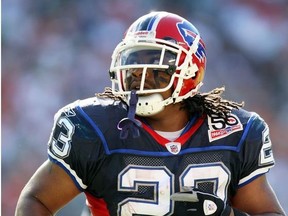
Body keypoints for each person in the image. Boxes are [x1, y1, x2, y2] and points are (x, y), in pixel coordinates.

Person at [15, 11, 286, 216]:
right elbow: (37, 200)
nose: (137, 76)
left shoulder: (233, 131)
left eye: (153, 65)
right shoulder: (94, 128)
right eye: (132, 63)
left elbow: (266, 211)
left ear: (190, 70)